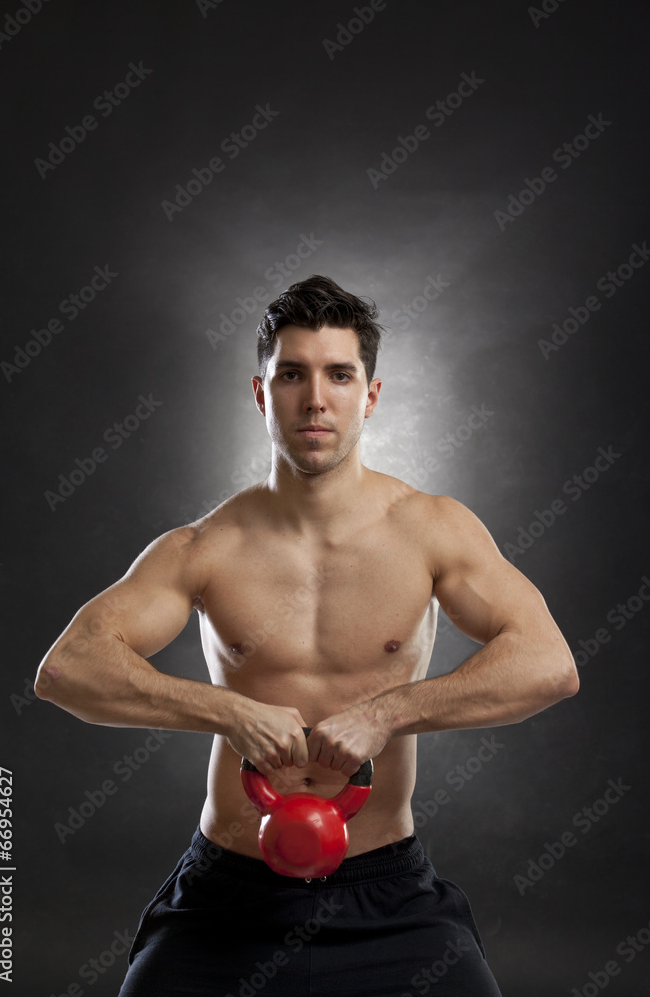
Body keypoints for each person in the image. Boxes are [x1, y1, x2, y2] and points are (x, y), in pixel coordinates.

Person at [35, 274, 579, 996]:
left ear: (370, 396)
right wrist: (228, 710)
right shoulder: (204, 547)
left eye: (338, 375)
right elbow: (67, 669)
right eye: (290, 374)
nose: (314, 398)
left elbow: (548, 663)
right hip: (228, 891)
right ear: (261, 394)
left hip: (385, 889)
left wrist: (385, 712)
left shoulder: (431, 529)